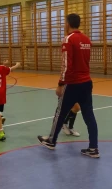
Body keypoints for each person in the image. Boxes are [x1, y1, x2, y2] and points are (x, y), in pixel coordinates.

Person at [37, 13, 99, 158]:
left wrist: (60, 84)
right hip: (86, 83)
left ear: (68, 24)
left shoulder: (68, 39)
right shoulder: (86, 39)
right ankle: (93, 148)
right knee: (89, 115)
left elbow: (66, 65)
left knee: (60, 113)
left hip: (72, 84)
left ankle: (51, 141)